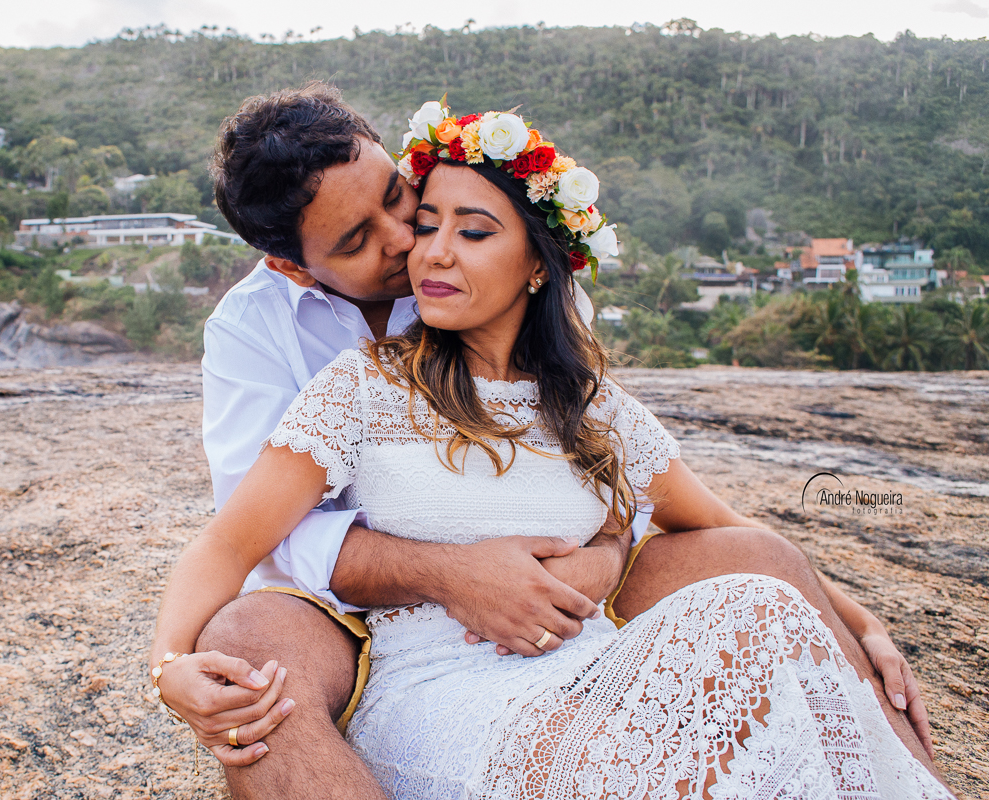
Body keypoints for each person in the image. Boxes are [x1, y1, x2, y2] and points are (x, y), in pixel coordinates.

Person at [150, 85, 938, 799]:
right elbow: (253, 536)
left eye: (406, 202)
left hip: (562, 614)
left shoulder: (539, 327)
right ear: (292, 265)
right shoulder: (303, 356)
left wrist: (850, 619)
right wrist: (452, 575)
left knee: (762, 579)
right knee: (245, 644)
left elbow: (605, 477)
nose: (412, 243)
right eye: (360, 239)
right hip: (376, 629)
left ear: (536, 264)